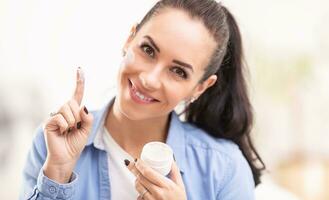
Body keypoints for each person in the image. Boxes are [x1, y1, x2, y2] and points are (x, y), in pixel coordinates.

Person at [20, 0, 265, 199]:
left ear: (200, 87)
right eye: (148, 50)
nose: (149, 79)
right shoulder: (52, 144)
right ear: (130, 39)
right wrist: (58, 173)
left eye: (178, 71)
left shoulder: (225, 169)